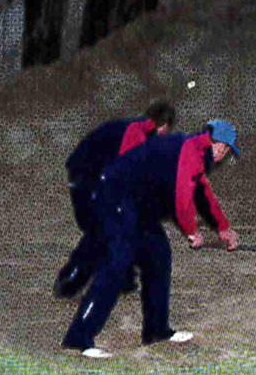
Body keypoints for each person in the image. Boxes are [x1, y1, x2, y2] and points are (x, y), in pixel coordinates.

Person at [61, 119, 241, 359]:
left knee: (159, 256)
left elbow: (202, 191)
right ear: (219, 145)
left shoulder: (194, 150)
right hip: (115, 200)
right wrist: (191, 231)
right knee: (115, 268)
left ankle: (157, 330)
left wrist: (223, 227)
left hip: (137, 206)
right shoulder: (190, 151)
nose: (225, 155)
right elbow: (183, 198)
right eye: (227, 149)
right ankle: (79, 338)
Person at [54, 100, 176, 299]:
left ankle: (123, 278)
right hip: (87, 177)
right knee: (101, 231)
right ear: (162, 125)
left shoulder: (137, 130)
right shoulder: (137, 134)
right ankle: (70, 281)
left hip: (91, 174)